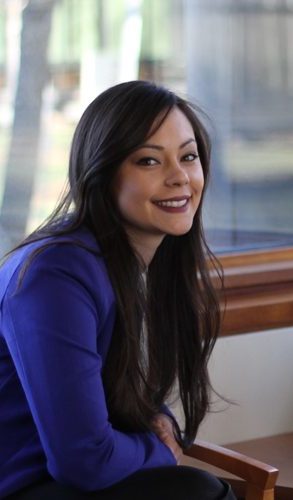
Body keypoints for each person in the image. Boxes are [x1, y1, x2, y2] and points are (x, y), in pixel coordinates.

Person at [0, 81, 234, 499]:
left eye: (188, 156)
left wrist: (155, 421)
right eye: (148, 161)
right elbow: (84, 461)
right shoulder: (54, 275)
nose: (179, 177)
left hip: (56, 481)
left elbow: (106, 399)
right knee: (196, 491)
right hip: (21, 485)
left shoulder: (134, 264)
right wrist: (157, 448)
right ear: (103, 173)